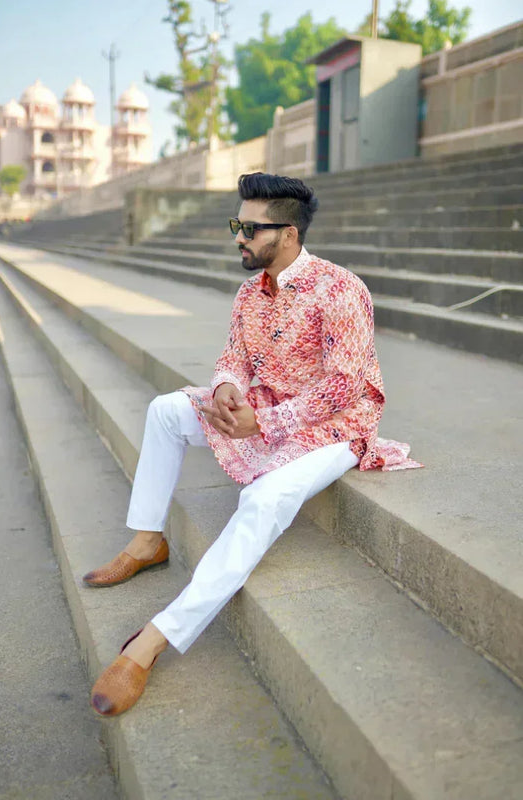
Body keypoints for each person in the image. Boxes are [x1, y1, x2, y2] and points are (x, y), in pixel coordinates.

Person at [85, 172, 421, 717]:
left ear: (288, 234)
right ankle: (147, 541)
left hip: (336, 426)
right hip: (264, 406)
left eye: (249, 228)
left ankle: (151, 642)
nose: (238, 237)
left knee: (262, 500)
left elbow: (345, 385)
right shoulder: (250, 291)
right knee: (167, 410)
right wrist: (226, 389)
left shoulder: (341, 289)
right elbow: (233, 358)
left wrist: (263, 423)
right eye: (236, 225)